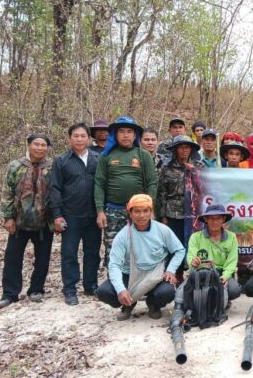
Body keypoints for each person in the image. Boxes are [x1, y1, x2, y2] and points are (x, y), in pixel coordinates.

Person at [95, 194, 185, 320]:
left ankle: (153, 304)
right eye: (137, 211)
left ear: (151, 212)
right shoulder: (123, 236)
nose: (141, 215)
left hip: (156, 276)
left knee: (168, 292)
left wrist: (170, 270)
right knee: (104, 292)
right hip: (130, 276)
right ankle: (128, 304)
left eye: (145, 211)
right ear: (130, 213)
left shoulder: (162, 230)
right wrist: (121, 289)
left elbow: (179, 250)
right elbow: (114, 264)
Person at [0, 134, 54, 309]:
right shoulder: (15, 166)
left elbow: (56, 192)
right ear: (28, 145)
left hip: (44, 221)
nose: (40, 148)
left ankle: (36, 289)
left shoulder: (52, 167)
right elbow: (7, 192)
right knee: (12, 258)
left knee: (42, 258)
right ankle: (10, 294)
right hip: (19, 221)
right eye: (36, 144)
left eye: (43, 145)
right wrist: (8, 217)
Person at [94, 116, 158, 267]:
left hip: (140, 212)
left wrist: (150, 208)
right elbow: (99, 183)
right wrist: (100, 211)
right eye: (121, 131)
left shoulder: (143, 155)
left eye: (129, 131)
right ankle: (114, 280)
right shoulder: (107, 155)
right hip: (113, 211)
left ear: (135, 135)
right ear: (115, 134)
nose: (125, 135)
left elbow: (152, 183)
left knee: (140, 249)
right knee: (113, 250)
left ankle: (137, 280)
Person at [51, 124, 101, 306]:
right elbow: (55, 188)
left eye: (83, 136)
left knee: (93, 252)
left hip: (93, 214)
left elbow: (103, 185)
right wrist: (57, 215)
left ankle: (91, 285)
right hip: (70, 214)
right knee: (69, 253)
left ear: (89, 138)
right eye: (75, 136)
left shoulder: (98, 159)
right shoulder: (61, 160)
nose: (79, 139)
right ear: (69, 138)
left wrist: (101, 211)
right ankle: (70, 289)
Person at [187, 204, 241, 303]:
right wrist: (193, 262)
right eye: (211, 218)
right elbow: (191, 257)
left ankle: (222, 300)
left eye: (218, 218)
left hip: (221, 272)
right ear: (206, 219)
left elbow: (232, 261)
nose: (215, 222)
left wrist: (225, 277)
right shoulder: (195, 237)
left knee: (234, 290)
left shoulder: (232, 237)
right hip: (202, 272)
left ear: (223, 219)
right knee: (187, 291)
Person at [157, 135, 203, 251]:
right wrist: (163, 216)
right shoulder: (167, 168)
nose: (184, 150)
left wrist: (194, 172)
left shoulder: (199, 166)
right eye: (181, 147)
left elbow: (204, 189)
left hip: (193, 213)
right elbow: (162, 193)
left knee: (193, 245)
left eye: (187, 147)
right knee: (175, 245)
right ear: (175, 149)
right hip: (173, 213)